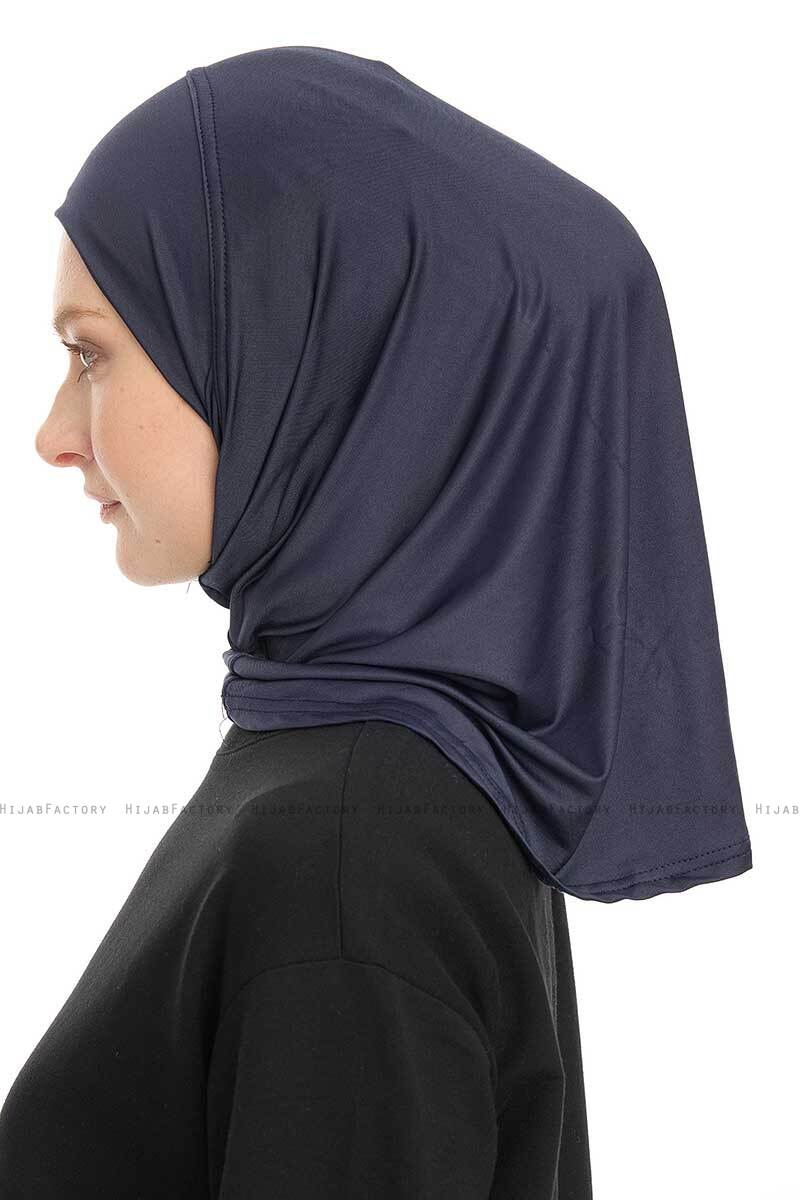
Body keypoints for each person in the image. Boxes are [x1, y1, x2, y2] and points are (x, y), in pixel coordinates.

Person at [0, 45, 750, 1198]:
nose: (53, 435)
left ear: (286, 341)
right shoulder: (372, 775)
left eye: (90, 352)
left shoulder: (349, 855)